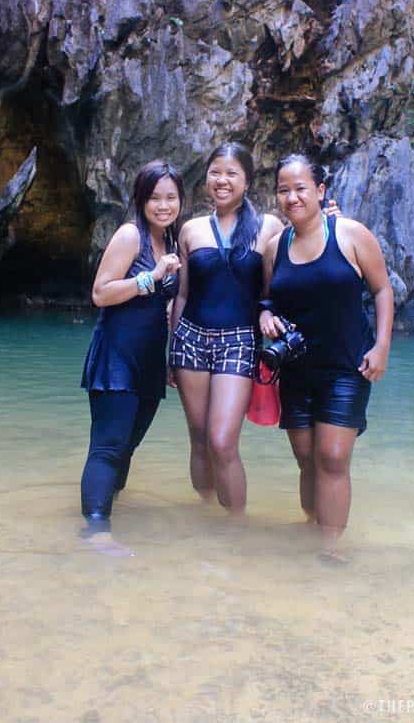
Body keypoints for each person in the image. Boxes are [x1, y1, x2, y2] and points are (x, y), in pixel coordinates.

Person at [260, 153, 393, 563]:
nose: (292, 197)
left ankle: (330, 546)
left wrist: (382, 345)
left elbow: (382, 290)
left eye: (301, 188)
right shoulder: (273, 247)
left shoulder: (350, 234)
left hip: (346, 366)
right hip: (296, 368)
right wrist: (264, 314)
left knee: (333, 457)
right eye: (284, 190)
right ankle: (310, 528)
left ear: (319, 192)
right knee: (306, 459)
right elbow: (267, 298)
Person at [167, 143, 283, 515]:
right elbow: (182, 296)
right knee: (199, 439)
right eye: (215, 172)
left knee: (222, 441)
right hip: (191, 339)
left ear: (247, 180)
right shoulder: (191, 229)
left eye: (231, 173)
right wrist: (171, 351)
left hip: (240, 341)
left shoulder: (268, 228)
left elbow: (278, 288)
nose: (222, 180)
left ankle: (235, 526)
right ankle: (205, 516)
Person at [79, 161, 184, 552]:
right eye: (154, 197)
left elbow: (170, 307)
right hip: (118, 354)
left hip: (149, 359)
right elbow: (101, 294)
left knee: (129, 444)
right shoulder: (130, 236)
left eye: (170, 197)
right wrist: (152, 276)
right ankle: (96, 529)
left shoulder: (169, 242)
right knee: (108, 445)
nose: (163, 205)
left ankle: (107, 503)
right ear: (140, 200)